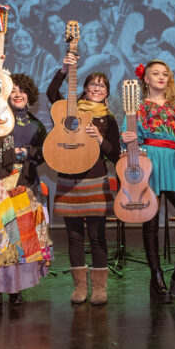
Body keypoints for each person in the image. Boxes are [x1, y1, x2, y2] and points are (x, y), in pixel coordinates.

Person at [120, 59, 175, 302]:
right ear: (145, 79)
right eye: (155, 74)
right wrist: (127, 140)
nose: (161, 77)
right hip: (149, 164)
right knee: (151, 224)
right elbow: (128, 138)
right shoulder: (137, 108)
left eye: (165, 74)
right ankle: (156, 279)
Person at [0, 71, 53, 313]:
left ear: (29, 96)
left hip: (24, 185)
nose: (17, 94)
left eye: (22, 91)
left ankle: (15, 290)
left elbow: (45, 155)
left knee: (20, 241)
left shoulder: (37, 126)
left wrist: (28, 153)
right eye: (13, 91)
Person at [47, 52, 121, 305]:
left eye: (102, 85)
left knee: (98, 235)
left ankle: (99, 288)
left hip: (95, 180)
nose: (97, 88)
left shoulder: (108, 119)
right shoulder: (69, 110)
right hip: (68, 180)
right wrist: (64, 69)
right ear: (85, 89)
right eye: (93, 84)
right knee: (74, 236)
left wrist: (99, 138)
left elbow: (115, 154)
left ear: (107, 92)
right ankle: (79, 287)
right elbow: (50, 94)